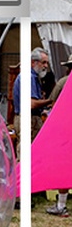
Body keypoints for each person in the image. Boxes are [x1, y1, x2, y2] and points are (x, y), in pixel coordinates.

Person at [45, 54, 72, 217]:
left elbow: (54, 105)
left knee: (64, 166)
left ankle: (61, 205)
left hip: (65, 131)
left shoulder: (63, 82)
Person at [12, 47, 52, 152]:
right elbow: (31, 104)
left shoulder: (33, 77)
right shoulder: (29, 77)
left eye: (47, 63)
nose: (46, 66)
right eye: (43, 63)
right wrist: (51, 100)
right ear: (33, 62)